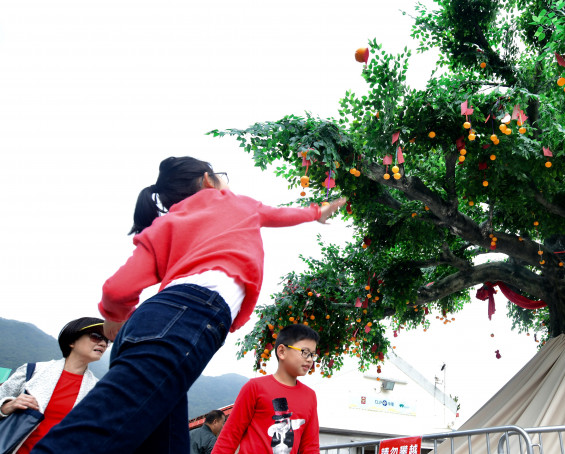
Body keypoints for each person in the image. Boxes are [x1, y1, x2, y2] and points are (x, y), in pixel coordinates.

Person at [33, 156, 345, 454]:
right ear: (209, 180)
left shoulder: (165, 225)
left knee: (164, 443)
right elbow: (278, 214)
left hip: (149, 322)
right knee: (96, 432)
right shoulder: (232, 202)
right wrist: (317, 212)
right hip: (191, 317)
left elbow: (118, 289)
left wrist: (116, 320)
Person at [0, 317, 108, 454]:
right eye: (96, 336)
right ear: (72, 341)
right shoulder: (32, 371)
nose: (103, 344)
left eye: (107, 340)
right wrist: (6, 406)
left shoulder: (98, 390)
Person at [213, 324, 321, 454]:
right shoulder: (255, 387)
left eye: (313, 355)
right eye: (304, 352)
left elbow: (311, 446)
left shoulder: (309, 396)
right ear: (281, 351)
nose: (310, 360)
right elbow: (230, 436)